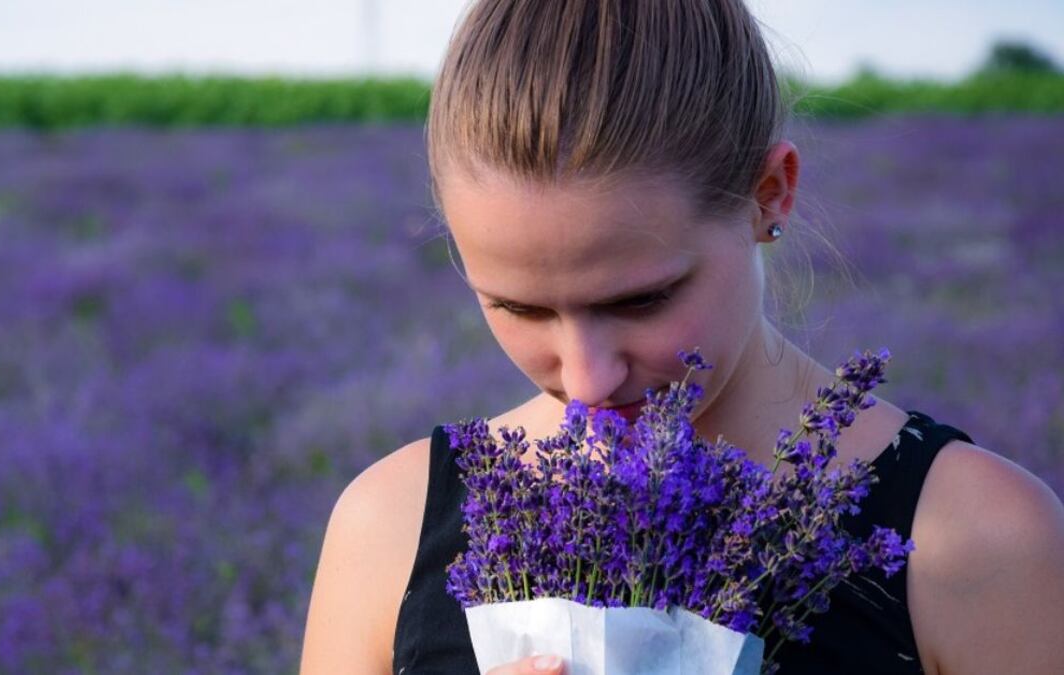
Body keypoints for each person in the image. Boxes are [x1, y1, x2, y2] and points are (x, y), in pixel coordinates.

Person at [300, 1, 1064, 673]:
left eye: (641, 300)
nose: (588, 380)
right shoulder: (388, 527)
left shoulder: (984, 540)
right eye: (520, 308)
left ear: (770, 194)